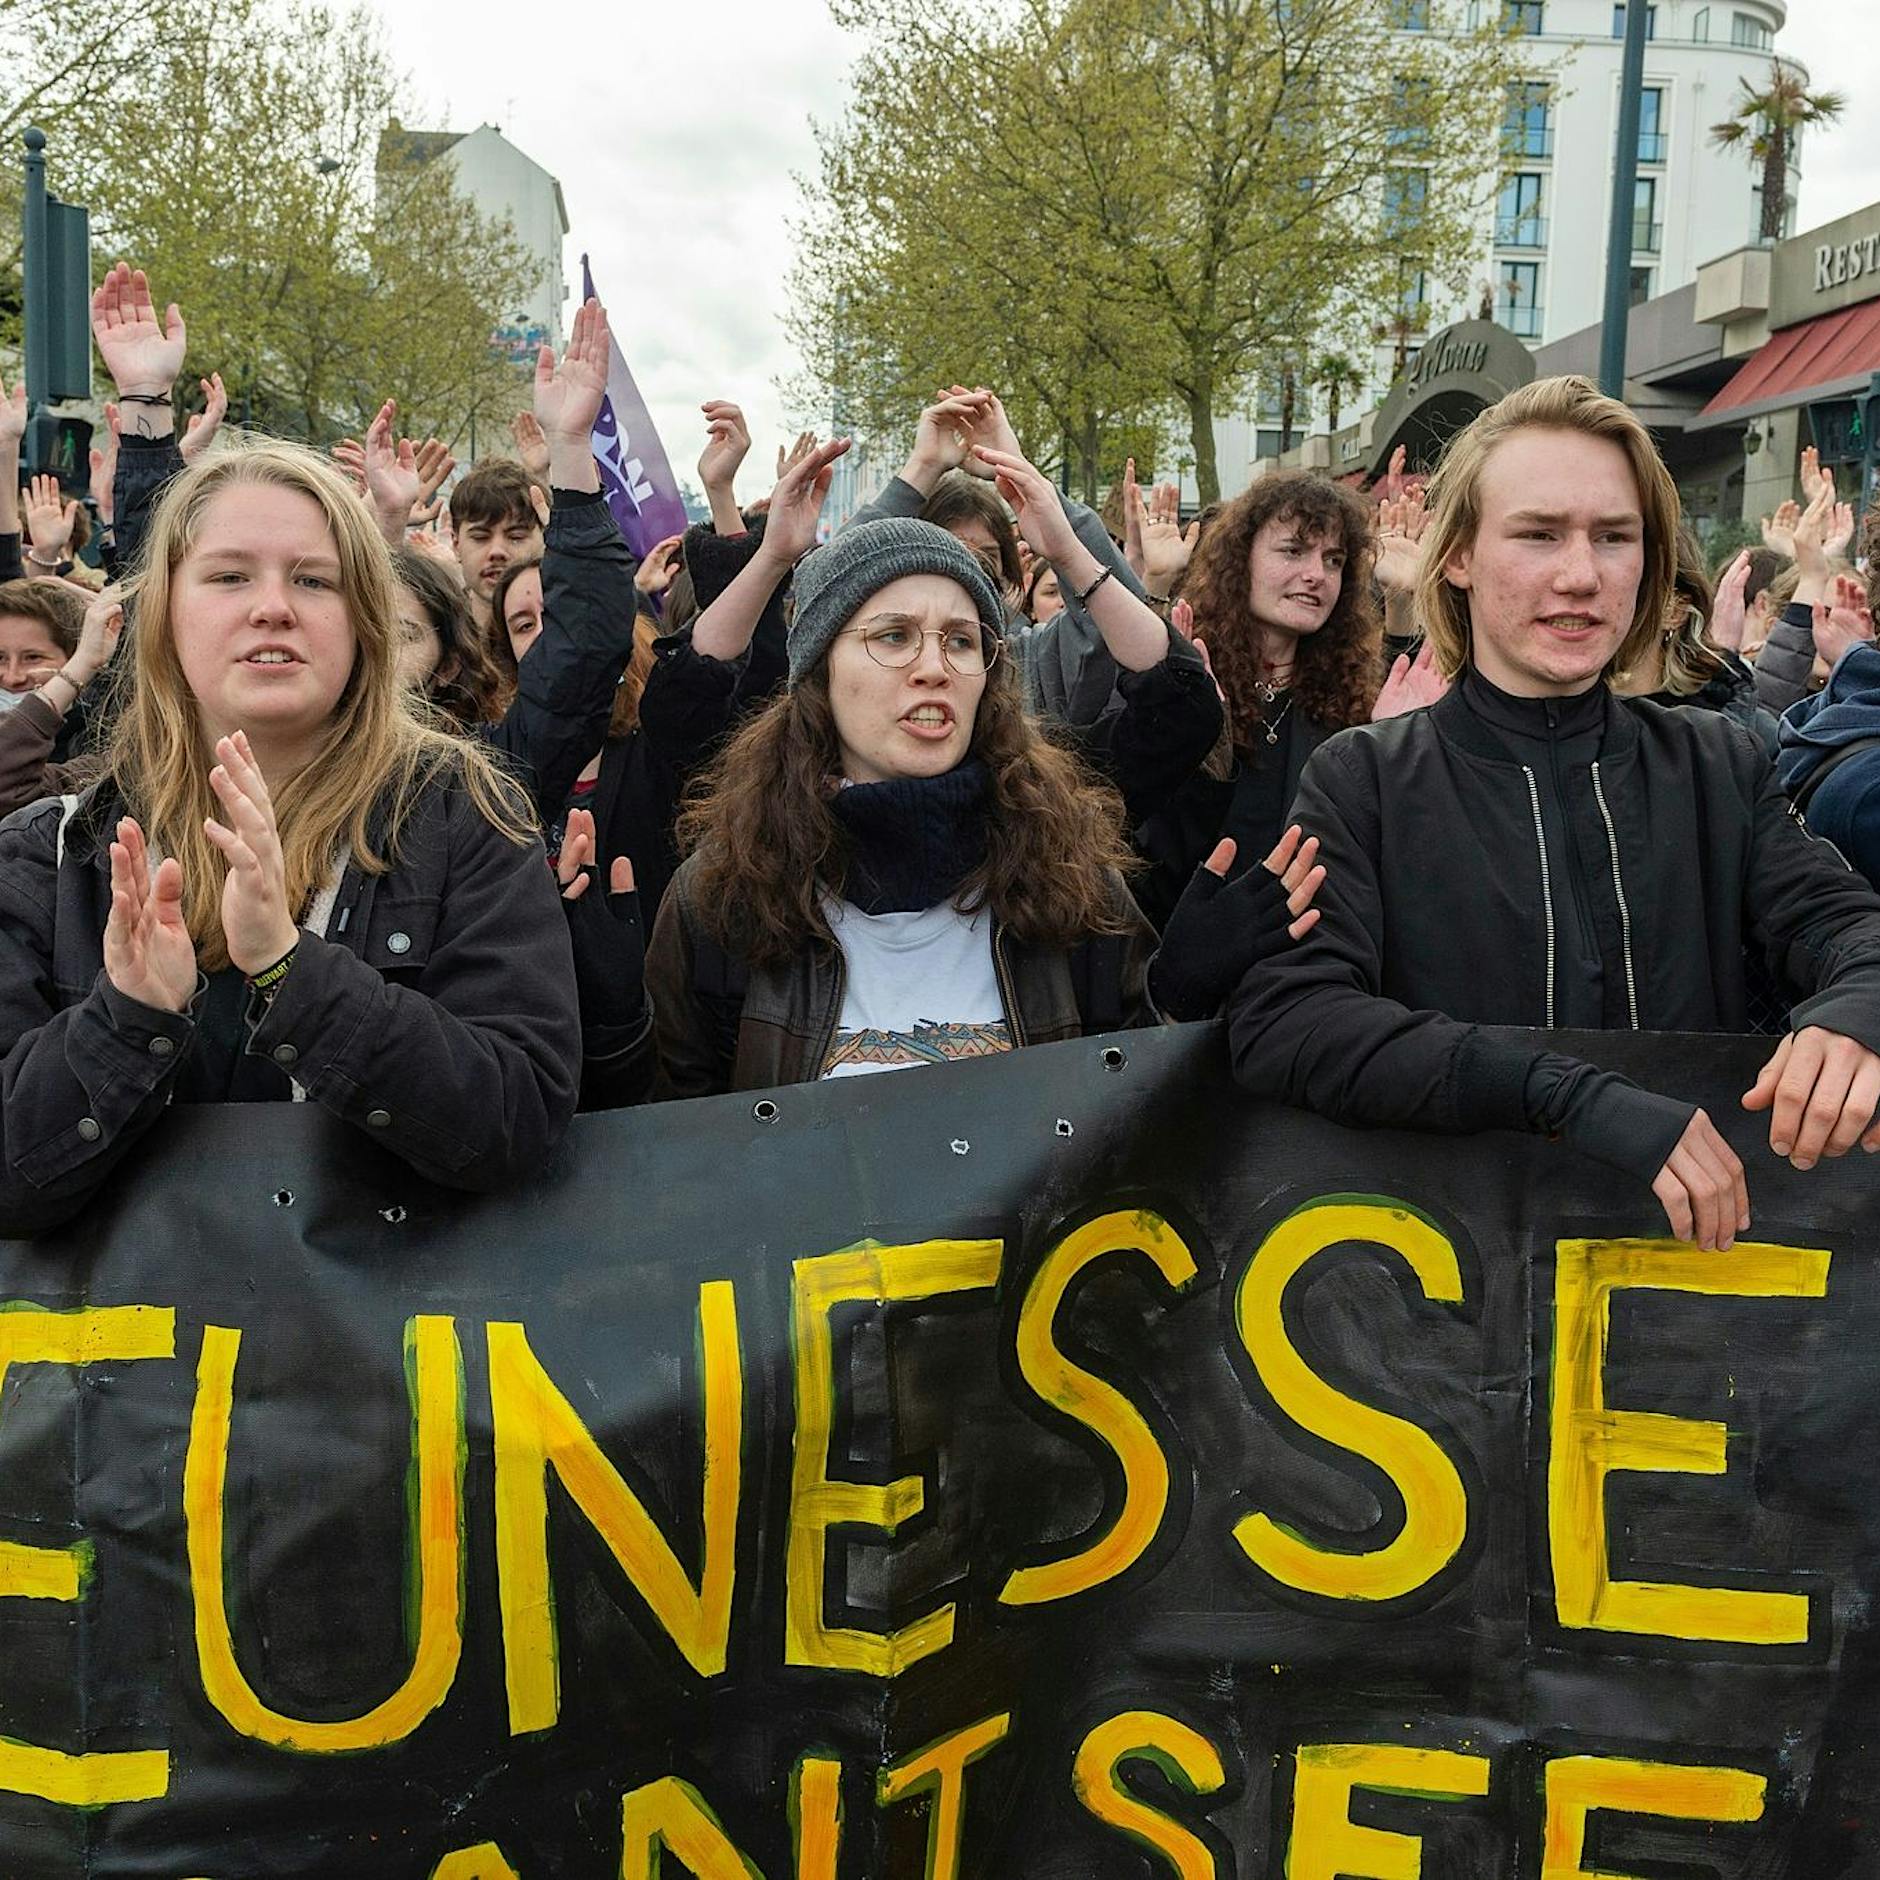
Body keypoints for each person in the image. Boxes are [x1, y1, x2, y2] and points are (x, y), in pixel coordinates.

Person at [1230, 373, 1880, 1250]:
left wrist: (1853, 1020)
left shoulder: (1715, 763)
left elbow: (1850, 930)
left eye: (1614, 536)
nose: (1580, 575)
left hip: (1693, 1295)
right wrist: (1564, 1095)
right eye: (1538, 535)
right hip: (1450, 1299)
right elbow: (1290, 1020)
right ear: (1456, 556)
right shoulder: (1364, 778)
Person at [0, 264, 581, 1234]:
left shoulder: (465, 818)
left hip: (372, 1366)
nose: (272, 604)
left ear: (362, 620)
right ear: (165, 617)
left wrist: (291, 971)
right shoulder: (49, 852)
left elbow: (516, 1119)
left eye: (312, 580)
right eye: (229, 575)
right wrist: (128, 1018)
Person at [646, 483, 1317, 1097]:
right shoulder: (723, 897)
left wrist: (1172, 1004)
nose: (934, 668)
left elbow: (1132, 1126)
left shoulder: (1065, 876)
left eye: (962, 642)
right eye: (894, 637)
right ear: (818, 674)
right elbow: (675, 1143)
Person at [1131, 473, 1382, 927]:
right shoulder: (1194, 675)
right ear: (1241, 558)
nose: (1316, 575)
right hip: (1184, 949)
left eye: (1334, 560)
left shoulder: (1352, 699)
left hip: (1306, 958)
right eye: (1293, 550)